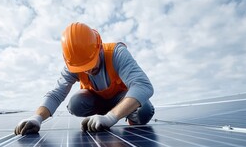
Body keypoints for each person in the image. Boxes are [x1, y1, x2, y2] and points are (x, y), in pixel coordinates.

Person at [14, 22, 154, 135]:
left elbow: (143, 85)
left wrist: (111, 118)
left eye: (90, 63)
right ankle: (98, 119)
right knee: (76, 103)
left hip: (120, 99)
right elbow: (56, 94)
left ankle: (118, 115)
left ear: (99, 47)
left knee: (145, 110)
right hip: (97, 103)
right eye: (82, 67)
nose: (88, 70)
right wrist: (37, 118)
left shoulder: (117, 53)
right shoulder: (73, 63)